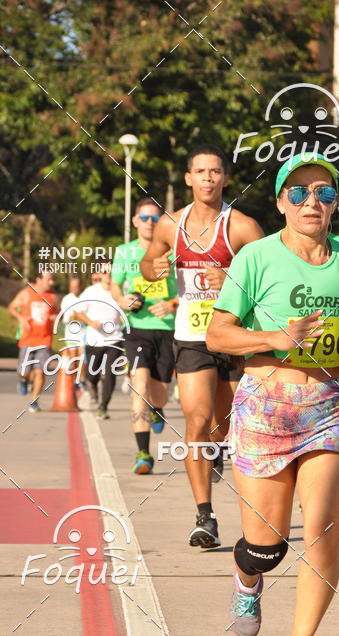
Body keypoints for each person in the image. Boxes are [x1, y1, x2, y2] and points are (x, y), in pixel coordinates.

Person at [207, 152, 339, 636]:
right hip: (265, 405)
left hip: (329, 407)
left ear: (335, 203)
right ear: (281, 202)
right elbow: (218, 334)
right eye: (299, 193)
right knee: (267, 546)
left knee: (325, 531)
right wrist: (275, 337)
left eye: (324, 193)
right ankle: (247, 575)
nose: (312, 202)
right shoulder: (256, 257)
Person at [141, 144, 263, 548]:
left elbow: (270, 279)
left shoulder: (242, 226)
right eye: (200, 171)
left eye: (215, 172)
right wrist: (154, 268)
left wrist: (232, 280)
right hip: (192, 336)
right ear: (188, 178)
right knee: (196, 420)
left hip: (233, 335)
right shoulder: (169, 225)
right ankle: (204, 517)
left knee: (222, 426)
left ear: (225, 178)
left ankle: (217, 450)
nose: (208, 178)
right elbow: (148, 262)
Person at [111, 198, 178, 474]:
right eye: (145, 218)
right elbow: (115, 287)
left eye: (155, 218)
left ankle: (157, 408)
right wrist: (122, 300)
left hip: (167, 329)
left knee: (159, 395)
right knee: (139, 384)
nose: (150, 223)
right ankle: (143, 454)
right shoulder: (124, 252)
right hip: (136, 329)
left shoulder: (172, 252)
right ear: (135, 221)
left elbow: (189, 291)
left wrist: (171, 305)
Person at [76, 267, 126, 419]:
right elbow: (78, 311)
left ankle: (103, 406)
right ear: (100, 274)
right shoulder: (91, 291)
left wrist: (124, 317)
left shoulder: (121, 290)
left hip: (115, 339)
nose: (108, 275)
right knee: (92, 374)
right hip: (94, 339)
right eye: (105, 272)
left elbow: (128, 309)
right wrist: (91, 322)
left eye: (111, 272)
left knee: (110, 374)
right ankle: (92, 386)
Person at [8, 269, 58, 412]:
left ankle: (34, 402)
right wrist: (21, 318)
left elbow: (57, 312)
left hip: (45, 340)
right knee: (24, 372)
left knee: (40, 371)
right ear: (38, 279)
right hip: (28, 340)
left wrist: (55, 317)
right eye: (48, 279)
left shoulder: (53, 296)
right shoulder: (26, 293)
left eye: (52, 279)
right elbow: (12, 307)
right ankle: (23, 380)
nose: (51, 282)